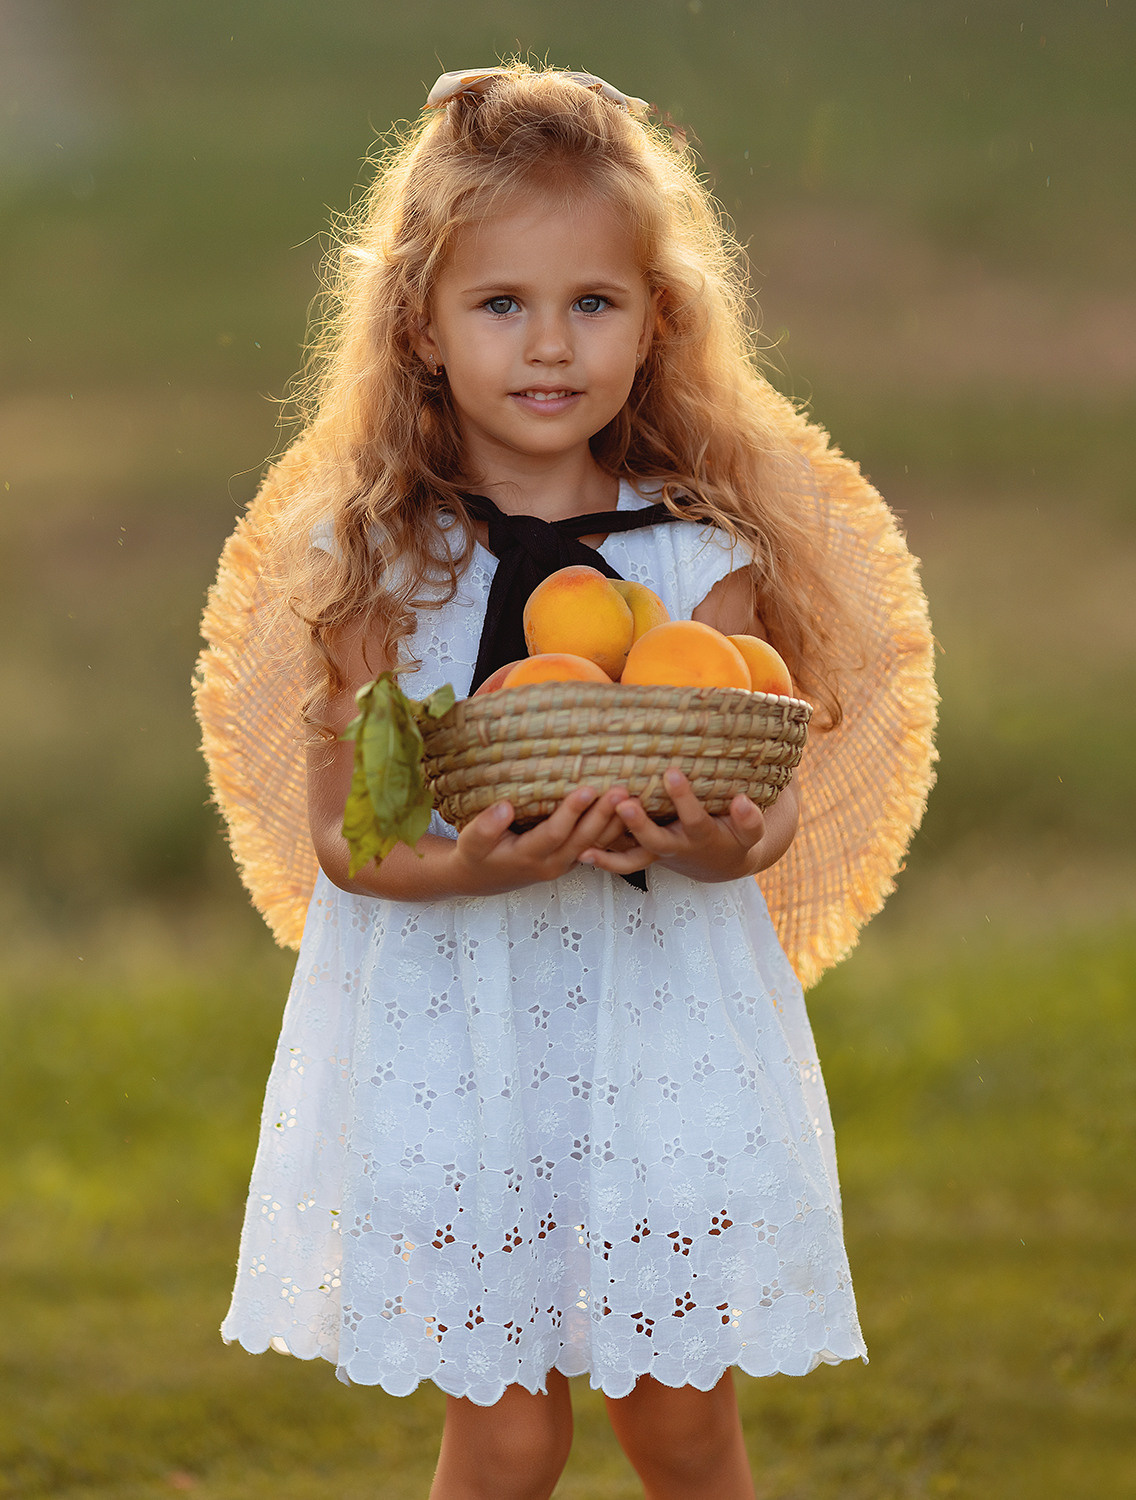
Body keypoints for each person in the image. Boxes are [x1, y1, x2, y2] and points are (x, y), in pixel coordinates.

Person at [200, 62, 936, 1500]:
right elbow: (351, 836)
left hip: (655, 1029)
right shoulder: (379, 570)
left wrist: (717, 840)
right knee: (509, 1431)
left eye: (593, 303)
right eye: (501, 305)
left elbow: (762, 790)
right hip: (469, 1046)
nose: (551, 346)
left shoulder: (697, 560)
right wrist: (481, 865)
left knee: (679, 1420)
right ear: (420, 324)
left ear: (658, 321)